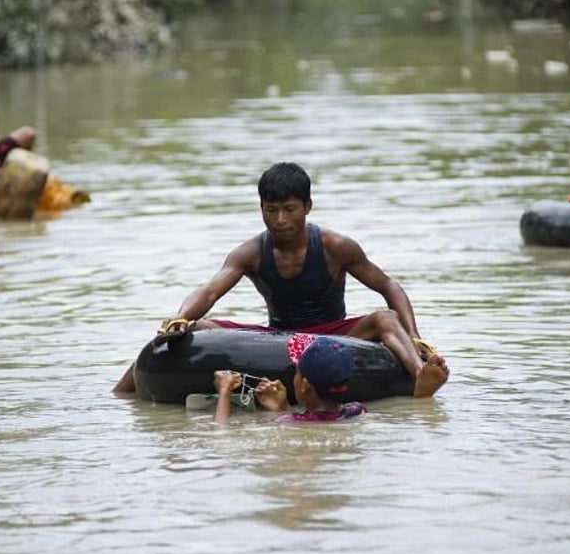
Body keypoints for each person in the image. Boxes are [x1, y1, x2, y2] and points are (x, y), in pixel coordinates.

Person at [114, 161, 448, 398]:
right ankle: (121, 392)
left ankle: (420, 379)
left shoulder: (336, 247)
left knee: (385, 318)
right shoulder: (251, 253)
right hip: (279, 336)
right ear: (261, 208)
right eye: (271, 210)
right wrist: (181, 318)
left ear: (307, 207)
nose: (280, 220)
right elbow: (211, 290)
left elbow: (389, 286)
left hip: (333, 333)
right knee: (195, 328)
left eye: (290, 209)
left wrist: (416, 337)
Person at [213, 336, 367, 423]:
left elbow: (222, 433)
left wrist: (224, 391)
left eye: (297, 373)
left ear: (304, 385)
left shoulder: (288, 423)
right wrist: (283, 407)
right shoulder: (357, 410)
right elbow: (312, 419)